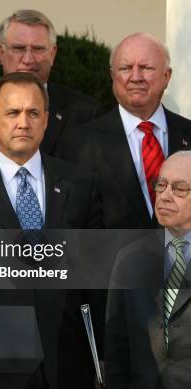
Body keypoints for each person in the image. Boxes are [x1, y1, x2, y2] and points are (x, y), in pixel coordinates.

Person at [0, 72, 102, 389]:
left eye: (33, 113)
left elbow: (94, 279)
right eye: (13, 113)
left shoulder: (80, 183)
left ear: (46, 120)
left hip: (66, 360)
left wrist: (101, 354)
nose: (23, 122)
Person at [72, 33, 191, 228]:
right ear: (112, 75)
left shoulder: (188, 132)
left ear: (167, 76)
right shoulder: (81, 143)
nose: (135, 77)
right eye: (126, 68)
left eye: (146, 68)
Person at [106, 151, 191, 388]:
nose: (164, 196)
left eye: (179, 189)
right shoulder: (130, 258)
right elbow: (117, 346)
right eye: (161, 185)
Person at [0, 9, 102, 157]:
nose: (28, 59)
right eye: (18, 48)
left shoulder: (86, 113)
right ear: (1, 53)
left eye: (38, 49)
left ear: (52, 54)